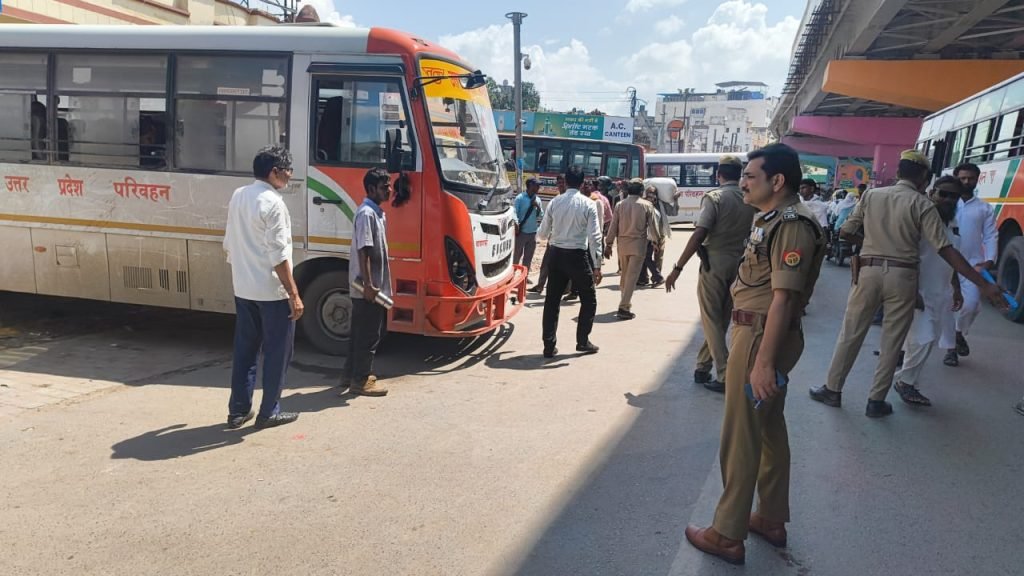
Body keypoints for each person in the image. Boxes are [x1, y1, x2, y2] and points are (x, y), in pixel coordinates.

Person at [684, 144, 826, 566]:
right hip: (759, 331)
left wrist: (762, 362)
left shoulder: (793, 224)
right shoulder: (771, 219)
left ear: (776, 182)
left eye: (750, 176)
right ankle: (769, 517)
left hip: (761, 335)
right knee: (767, 430)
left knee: (741, 433)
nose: (742, 182)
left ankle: (726, 534)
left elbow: (783, 298)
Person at [810, 150, 1007, 418]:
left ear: (899, 172)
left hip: (868, 270)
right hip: (903, 276)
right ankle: (875, 401)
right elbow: (945, 249)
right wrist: (984, 285)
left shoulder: (871, 195)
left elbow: (846, 231)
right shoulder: (922, 204)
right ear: (924, 177)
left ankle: (832, 390)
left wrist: (870, 247)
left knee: (851, 332)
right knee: (893, 340)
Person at [223, 146, 302, 430]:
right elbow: (279, 256)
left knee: (245, 351)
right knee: (277, 353)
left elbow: (229, 242)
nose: (291, 175)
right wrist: (293, 294)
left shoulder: (239, 195)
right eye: (287, 170)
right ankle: (269, 411)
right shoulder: (274, 203)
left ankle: (238, 411)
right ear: (274, 172)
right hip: (271, 293)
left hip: (243, 288)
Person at [666, 156, 756, 392]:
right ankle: (702, 366)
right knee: (721, 319)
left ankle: (725, 373)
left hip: (714, 263)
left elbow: (699, 234)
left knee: (710, 318)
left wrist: (677, 268)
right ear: (740, 174)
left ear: (719, 174)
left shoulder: (715, 197)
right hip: (740, 265)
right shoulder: (749, 199)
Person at [892, 176, 964, 407]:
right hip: (918, 290)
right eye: (943, 193)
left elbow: (951, 260)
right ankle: (904, 383)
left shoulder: (952, 224)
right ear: (932, 192)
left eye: (953, 196)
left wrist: (957, 290)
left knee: (923, 339)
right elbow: (906, 257)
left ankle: (903, 379)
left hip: (940, 292)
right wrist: (912, 292)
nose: (948, 199)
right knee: (924, 338)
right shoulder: (920, 219)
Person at [538, 165, 603, 357]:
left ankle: (549, 345)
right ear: (582, 183)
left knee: (552, 301)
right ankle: (582, 341)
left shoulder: (554, 202)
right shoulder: (588, 204)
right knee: (589, 299)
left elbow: (542, 233)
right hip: (577, 255)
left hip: (556, 254)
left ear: (565, 182)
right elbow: (595, 237)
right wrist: (597, 266)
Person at [341, 168, 393, 397]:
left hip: (371, 286)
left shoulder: (376, 213)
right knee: (369, 336)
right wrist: (370, 285)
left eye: (389, 186)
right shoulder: (367, 214)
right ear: (371, 189)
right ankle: (361, 381)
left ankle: (349, 375)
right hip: (368, 289)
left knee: (359, 334)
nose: (389, 190)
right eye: (384, 187)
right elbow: (364, 250)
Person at [945, 162, 998, 366]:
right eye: (962, 178)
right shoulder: (946, 204)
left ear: (977, 179)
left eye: (971, 178)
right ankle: (950, 349)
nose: (966, 182)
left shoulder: (984, 208)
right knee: (948, 306)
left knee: (972, 305)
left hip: (973, 265)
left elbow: (991, 236)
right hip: (944, 263)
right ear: (956, 178)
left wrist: (989, 261)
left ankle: (958, 333)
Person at [605, 178, 659, 320]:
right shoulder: (647, 205)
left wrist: (608, 244)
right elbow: (653, 227)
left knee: (625, 275)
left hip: (622, 244)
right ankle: (624, 306)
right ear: (641, 192)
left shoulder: (620, 205)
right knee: (631, 277)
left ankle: (625, 302)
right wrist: (656, 242)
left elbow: (613, 226)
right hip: (638, 244)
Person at [529, 174, 567, 295]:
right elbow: (547, 220)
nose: (560, 185)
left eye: (563, 182)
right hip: (553, 237)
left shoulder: (570, 200)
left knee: (565, 267)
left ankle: (566, 289)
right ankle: (540, 285)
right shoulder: (556, 200)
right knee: (546, 263)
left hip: (566, 239)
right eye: (559, 182)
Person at [637, 185, 666, 289]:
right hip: (646, 238)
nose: (650, 198)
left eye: (652, 196)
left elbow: (652, 227)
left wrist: (654, 241)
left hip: (650, 239)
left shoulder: (654, 211)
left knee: (646, 258)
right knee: (643, 258)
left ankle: (658, 277)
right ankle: (643, 279)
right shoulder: (648, 208)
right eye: (648, 195)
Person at [514, 178, 544, 276]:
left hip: (532, 233)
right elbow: (514, 212)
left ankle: (524, 277)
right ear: (530, 185)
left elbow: (541, 216)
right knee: (516, 256)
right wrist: (516, 224)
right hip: (521, 232)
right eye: (537, 185)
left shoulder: (538, 199)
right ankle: (512, 276)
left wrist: (537, 207)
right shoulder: (520, 198)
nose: (538, 187)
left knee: (528, 258)